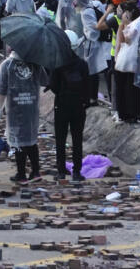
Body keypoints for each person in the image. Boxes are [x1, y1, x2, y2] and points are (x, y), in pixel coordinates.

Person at [0, 49, 49, 184]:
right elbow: (45, 81)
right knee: (31, 139)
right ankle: (36, 172)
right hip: (32, 108)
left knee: (18, 141)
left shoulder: (7, 65)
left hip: (15, 109)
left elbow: (1, 89)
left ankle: (21, 174)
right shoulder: (35, 64)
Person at [49, 31, 90, 181]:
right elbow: (88, 87)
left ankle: (61, 170)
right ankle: (77, 171)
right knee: (77, 139)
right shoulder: (82, 64)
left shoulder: (58, 64)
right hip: (78, 106)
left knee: (60, 139)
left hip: (61, 105)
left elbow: (53, 85)